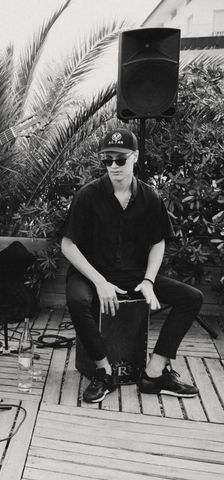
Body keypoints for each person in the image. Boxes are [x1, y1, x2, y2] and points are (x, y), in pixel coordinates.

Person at [61, 128, 202, 403]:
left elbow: (158, 242)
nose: (113, 165)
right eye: (107, 159)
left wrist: (149, 281)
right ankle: (103, 373)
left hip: (133, 274)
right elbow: (68, 245)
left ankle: (154, 372)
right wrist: (99, 281)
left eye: (120, 159)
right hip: (90, 273)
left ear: (135, 157)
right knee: (77, 300)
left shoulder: (150, 197)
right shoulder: (88, 195)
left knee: (191, 298)